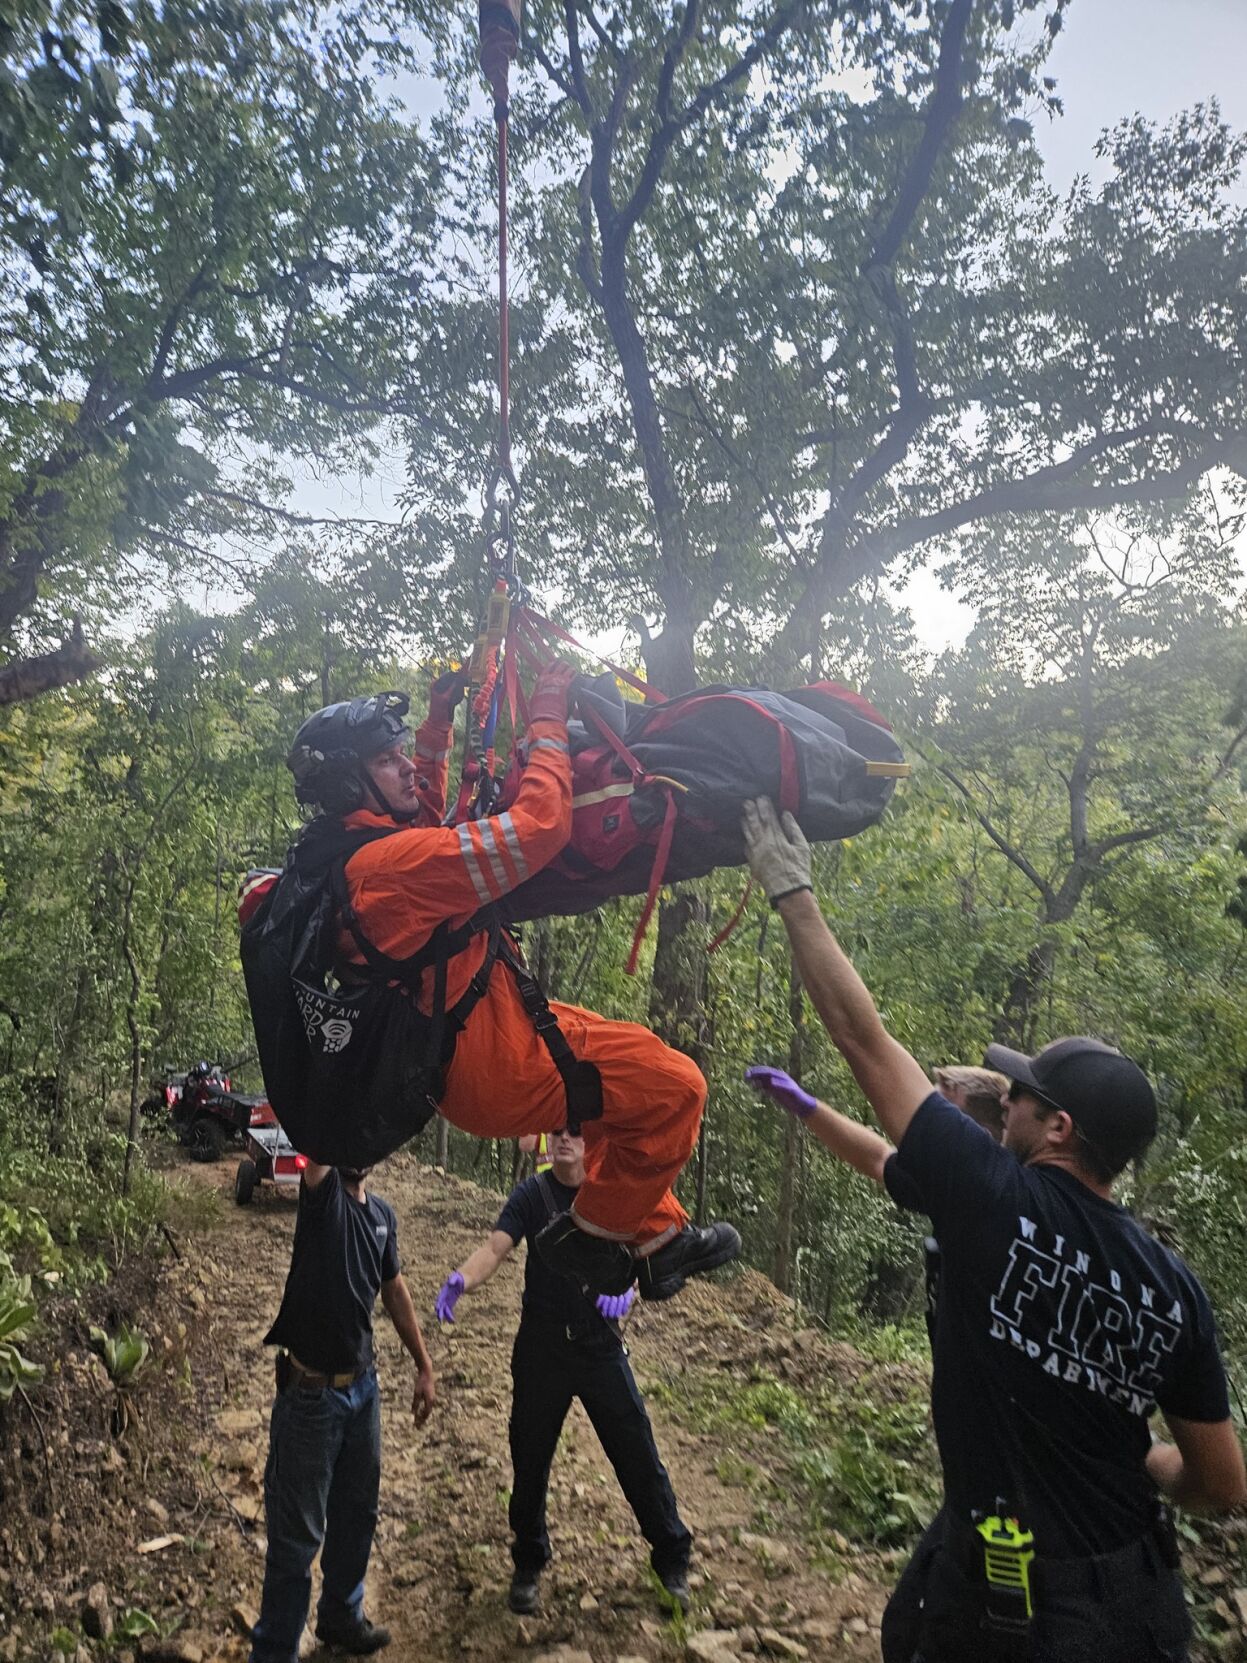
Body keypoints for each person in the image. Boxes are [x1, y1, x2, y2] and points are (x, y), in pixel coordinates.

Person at [740, 797, 1246, 1663]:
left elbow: (865, 1040)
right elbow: (1222, 1484)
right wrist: (1147, 1466)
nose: (998, 1095)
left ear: (1055, 1128)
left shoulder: (992, 1199)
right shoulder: (1172, 1286)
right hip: (1139, 1609)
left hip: (1013, 1612)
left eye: (1020, 1094)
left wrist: (792, 893)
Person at [282, 672, 739, 1300]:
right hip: (493, 1055)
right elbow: (540, 828)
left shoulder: (355, 854)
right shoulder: (390, 867)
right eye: (387, 761)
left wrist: (438, 723)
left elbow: (429, 821)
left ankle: (656, 1237)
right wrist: (547, 716)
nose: (405, 770)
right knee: (678, 1088)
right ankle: (595, 1233)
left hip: (479, 1035)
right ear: (347, 781)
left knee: (621, 1086)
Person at [743, 1060, 1005, 1662]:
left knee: (934, 1628)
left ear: (974, 1125)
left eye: (941, 1102)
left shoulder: (995, 1199)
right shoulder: (953, 1185)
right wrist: (806, 1107)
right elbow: (875, 1157)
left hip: (1014, 1474)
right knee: (910, 1624)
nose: (925, 1116)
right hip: (975, 1459)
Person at [433, 1126, 694, 1618]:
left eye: (576, 1132)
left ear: (593, 1140)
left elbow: (645, 1264)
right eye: (557, 1132)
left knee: (636, 1450)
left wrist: (627, 1296)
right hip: (541, 1346)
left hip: (599, 1347)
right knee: (529, 1457)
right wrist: (461, 1279)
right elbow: (495, 1248)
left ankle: (671, 1560)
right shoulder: (533, 1194)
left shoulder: (615, 1194)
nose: (566, 1140)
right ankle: (528, 1562)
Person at [249, 1162, 437, 1663]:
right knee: (297, 1541)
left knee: (357, 1514)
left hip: (362, 1391)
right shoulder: (322, 1195)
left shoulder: (381, 1215)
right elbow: (317, 1135)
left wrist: (423, 1364)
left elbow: (394, 1290)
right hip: (311, 1399)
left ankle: (341, 1618)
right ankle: (274, 1652)